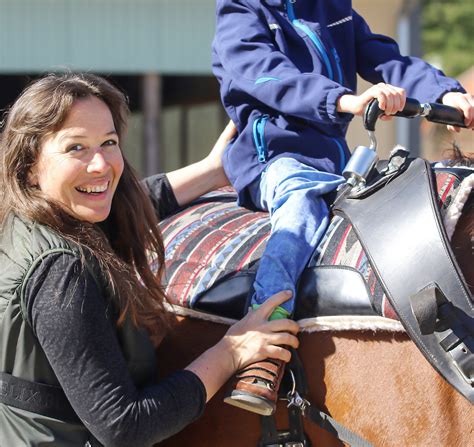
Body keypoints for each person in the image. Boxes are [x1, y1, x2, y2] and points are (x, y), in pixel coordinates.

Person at [0, 73, 300, 447]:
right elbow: (125, 427)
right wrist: (231, 351)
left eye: (109, 142)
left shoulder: (25, 220)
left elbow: (135, 198)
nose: (100, 165)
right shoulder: (62, 273)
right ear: (29, 165)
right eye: (76, 148)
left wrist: (213, 170)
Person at [212, 0, 474, 415]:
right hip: (275, 160)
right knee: (300, 214)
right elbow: (267, 75)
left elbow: (383, 56)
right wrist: (346, 100)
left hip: (332, 160)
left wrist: (444, 91)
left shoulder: (333, 6)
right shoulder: (241, 12)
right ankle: (262, 343)